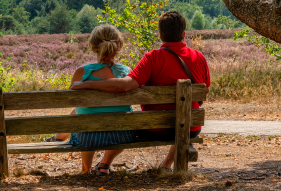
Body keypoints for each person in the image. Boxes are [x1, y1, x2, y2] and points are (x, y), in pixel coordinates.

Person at [70, 10, 211, 172]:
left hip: (156, 128)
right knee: (181, 123)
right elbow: (204, 90)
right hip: (191, 128)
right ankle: (166, 165)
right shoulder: (199, 57)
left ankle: (99, 165)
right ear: (184, 34)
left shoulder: (153, 58)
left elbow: (125, 85)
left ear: (160, 34)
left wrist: (86, 84)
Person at [45, 24, 137, 175]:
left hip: (88, 138)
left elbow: (74, 101)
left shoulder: (82, 72)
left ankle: (85, 170)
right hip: (123, 136)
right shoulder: (127, 72)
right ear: (118, 46)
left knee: (84, 117)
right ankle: (104, 165)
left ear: (94, 47)